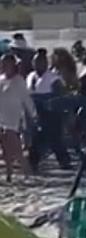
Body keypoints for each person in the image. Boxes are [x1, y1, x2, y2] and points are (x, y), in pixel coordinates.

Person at [26, 49, 71, 172]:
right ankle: (33, 162)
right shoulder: (31, 77)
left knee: (55, 139)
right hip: (35, 111)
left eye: (40, 62)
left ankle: (64, 162)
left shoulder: (53, 79)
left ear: (46, 63)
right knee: (36, 139)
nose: (37, 65)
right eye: (35, 62)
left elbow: (60, 97)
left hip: (51, 114)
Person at [0, 53, 35, 182]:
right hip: (1, 116)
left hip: (14, 117)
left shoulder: (19, 80)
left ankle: (27, 172)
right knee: (5, 148)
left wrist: (33, 114)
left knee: (15, 148)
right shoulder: (1, 79)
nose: (3, 66)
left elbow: (26, 99)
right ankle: (9, 174)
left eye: (6, 63)